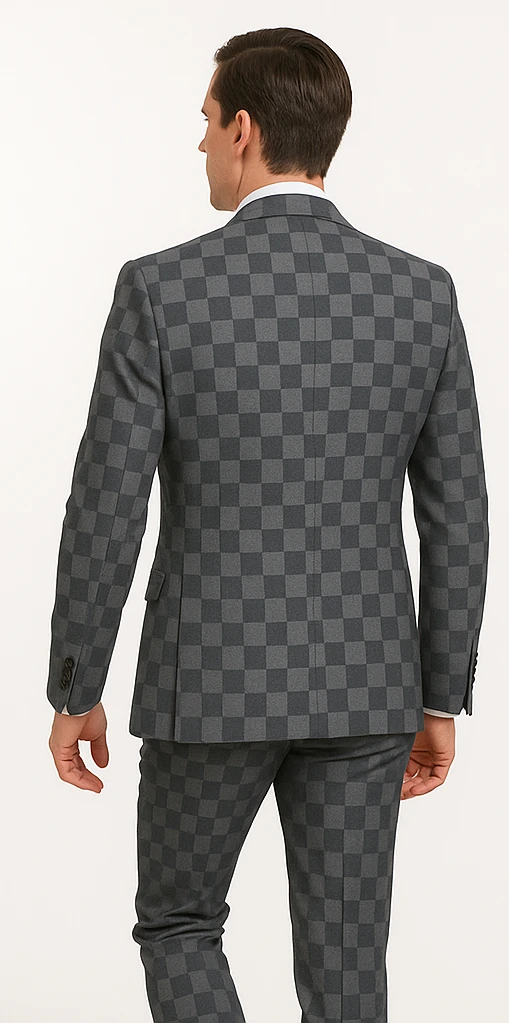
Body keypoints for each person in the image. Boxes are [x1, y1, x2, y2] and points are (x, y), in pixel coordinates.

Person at [46, 26, 489, 1023]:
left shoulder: (161, 289)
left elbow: (106, 502)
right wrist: (438, 696)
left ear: (243, 129)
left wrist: (76, 684)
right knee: (346, 966)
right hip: (366, 685)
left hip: (207, 682)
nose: (200, 143)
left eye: (206, 122)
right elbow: (457, 510)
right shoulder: (421, 295)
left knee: (179, 925)